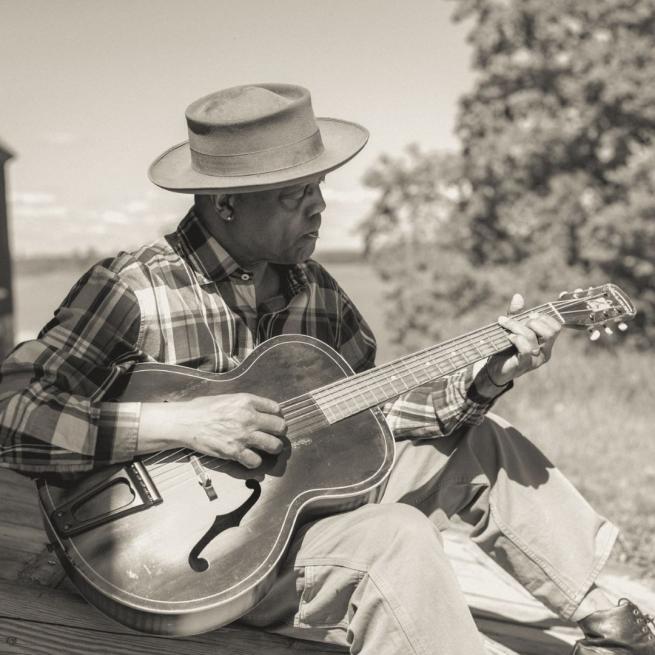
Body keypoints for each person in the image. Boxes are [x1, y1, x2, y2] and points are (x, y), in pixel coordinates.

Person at [0, 83, 653, 655]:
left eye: (317, 187)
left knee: (479, 434)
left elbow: (377, 416)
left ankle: (606, 618)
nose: (319, 206)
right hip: (190, 558)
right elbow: (14, 418)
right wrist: (179, 423)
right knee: (393, 540)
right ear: (226, 205)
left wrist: (488, 373)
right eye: (295, 194)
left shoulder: (313, 290)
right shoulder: (130, 288)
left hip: (301, 507)